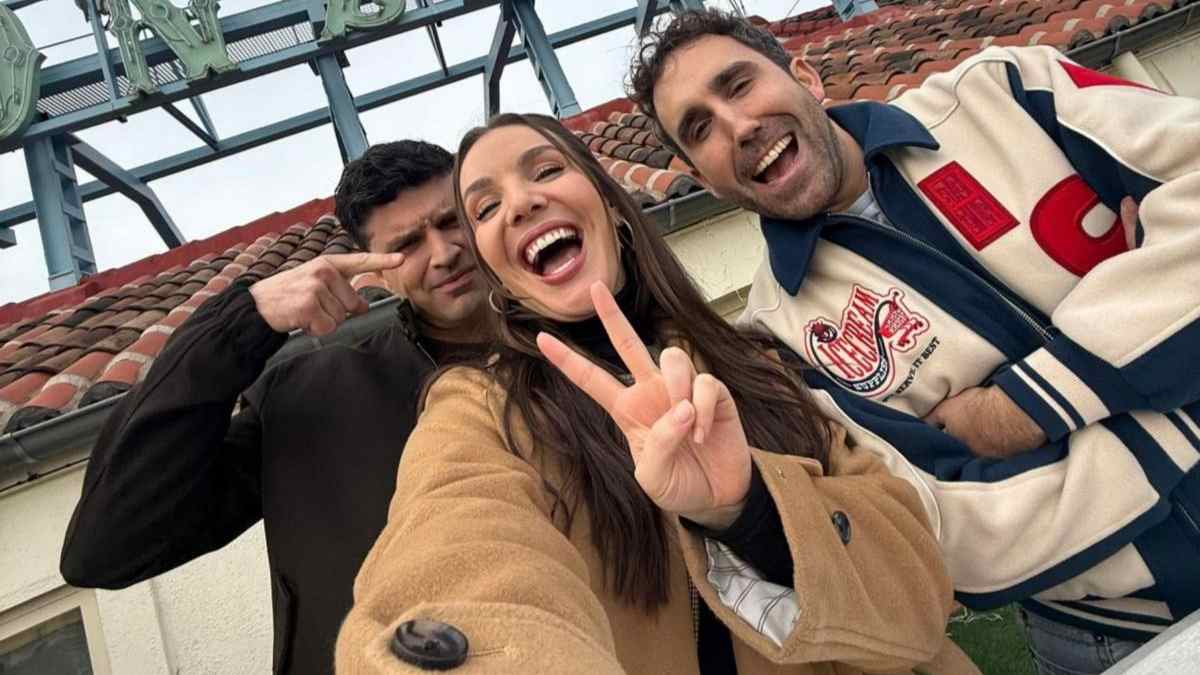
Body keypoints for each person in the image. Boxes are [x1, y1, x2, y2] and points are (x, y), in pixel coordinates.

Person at [628, 9, 1200, 674]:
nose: (737, 127)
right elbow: (951, 530)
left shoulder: (1003, 88)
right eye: (699, 128)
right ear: (703, 179)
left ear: (805, 76)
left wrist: (1020, 408)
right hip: (1114, 633)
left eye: (738, 85)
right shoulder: (775, 337)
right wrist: (1170, 376)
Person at [336, 113, 978, 675]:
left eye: (546, 170)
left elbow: (921, 596)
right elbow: (454, 556)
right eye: (485, 207)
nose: (522, 204)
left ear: (613, 209)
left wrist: (750, 510)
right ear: (498, 275)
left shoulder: (756, 361)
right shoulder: (478, 411)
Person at [60, 140, 492, 675]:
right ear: (378, 273)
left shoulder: (594, 334)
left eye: (451, 222)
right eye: (408, 244)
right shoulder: (308, 399)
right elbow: (106, 546)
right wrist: (244, 321)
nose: (444, 251)